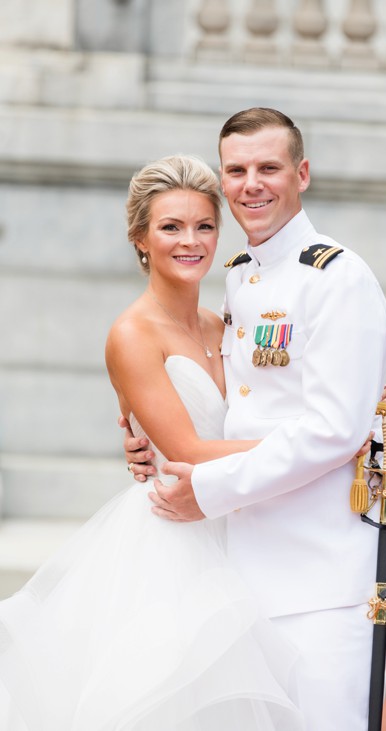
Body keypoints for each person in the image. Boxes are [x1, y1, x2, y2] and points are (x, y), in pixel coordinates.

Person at [126, 107, 386, 730]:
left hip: (320, 576)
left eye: (268, 168)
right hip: (240, 567)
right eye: (236, 170)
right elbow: (234, 406)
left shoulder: (338, 279)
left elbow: (335, 432)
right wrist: (151, 440)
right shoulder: (237, 280)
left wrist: (207, 488)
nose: (250, 184)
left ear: (301, 173)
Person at [0, 155, 307, 729]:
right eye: (171, 227)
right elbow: (187, 451)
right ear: (140, 237)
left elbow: (271, 399)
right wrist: (316, 440)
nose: (190, 241)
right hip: (171, 542)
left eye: (204, 226)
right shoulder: (131, 333)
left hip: (240, 527)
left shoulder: (227, 324)